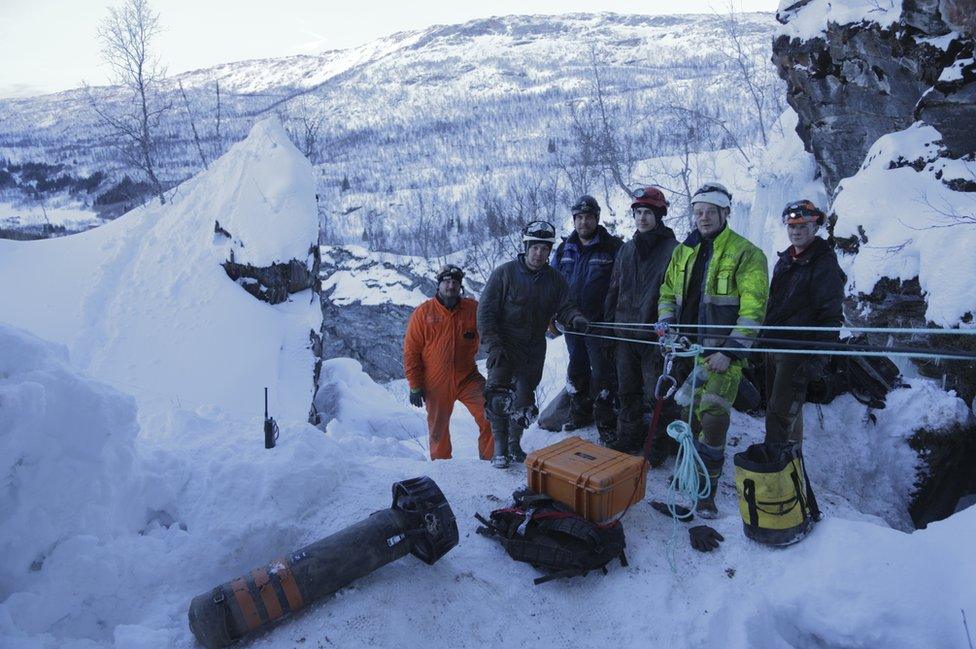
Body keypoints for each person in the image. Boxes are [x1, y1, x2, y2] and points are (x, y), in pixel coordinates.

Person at [658, 182, 769, 517]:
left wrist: (732, 352)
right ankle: (686, 474)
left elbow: (754, 309)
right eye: (698, 212)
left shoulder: (746, 253)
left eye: (710, 212)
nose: (703, 218)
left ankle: (706, 493)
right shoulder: (683, 251)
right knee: (687, 417)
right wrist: (666, 323)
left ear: (725, 213)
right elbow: (667, 292)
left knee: (713, 418)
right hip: (686, 350)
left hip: (722, 355)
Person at [477, 221, 589, 468]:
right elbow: (485, 313)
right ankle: (500, 448)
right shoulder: (504, 274)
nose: (539, 253)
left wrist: (576, 319)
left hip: (534, 349)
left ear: (550, 252)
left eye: (544, 249)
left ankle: (516, 446)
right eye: (535, 248)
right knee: (497, 396)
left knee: (524, 400)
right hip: (503, 346)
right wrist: (493, 346)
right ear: (526, 247)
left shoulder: (555, 280)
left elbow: (565, 307)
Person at [762, 200, 845, 449]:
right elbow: (775, 304)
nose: (795, 231)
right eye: (791, 226)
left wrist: (817, 358)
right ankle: (789, 463)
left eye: (801, 226)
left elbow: (831, 315)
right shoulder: (786, 260)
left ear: (815, 227)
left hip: (798, 350)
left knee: (780, 412)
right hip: (774, 345)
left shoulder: (823, 264)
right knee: (780, 409)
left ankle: (776, 464)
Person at [604, 186, 679, 456]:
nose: (642, 218)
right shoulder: (626, 250)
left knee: (656, 393)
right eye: (638, 212)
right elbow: (614, 289)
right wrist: (610, 329)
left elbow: (678, 295)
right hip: (624, 333)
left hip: (654, 336)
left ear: (659, 215)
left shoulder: (674, 250)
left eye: (648, 212)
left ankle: (660, 442)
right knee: (627, 389)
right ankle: (629, 437)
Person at [404, 264, 494, 461]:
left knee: (491, 413)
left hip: (468, 377)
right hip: (435, 382)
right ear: (438, 285)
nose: (450, 285)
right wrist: (415, 385)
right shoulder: (423, 313)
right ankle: (442, 470)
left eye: (455, 282)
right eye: (446, 281)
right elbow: (411, 351)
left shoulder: (473, 310)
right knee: (438, 430)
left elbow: (491, 334)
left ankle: (490, 463)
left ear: (460, 286)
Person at [553, 195, 623, 438]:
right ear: (574, 220)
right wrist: (553, 315)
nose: (584, 222)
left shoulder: (612, 247)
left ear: (597, 219)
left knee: (603, 372)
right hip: (571, 323)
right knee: (577, 367)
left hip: (600, 323)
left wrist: (613, 319)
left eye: (588, 217)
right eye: (579, 217)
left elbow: (621, 286)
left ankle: (606, 422)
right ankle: (579, 414)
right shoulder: (564, 249)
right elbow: (553, 283)